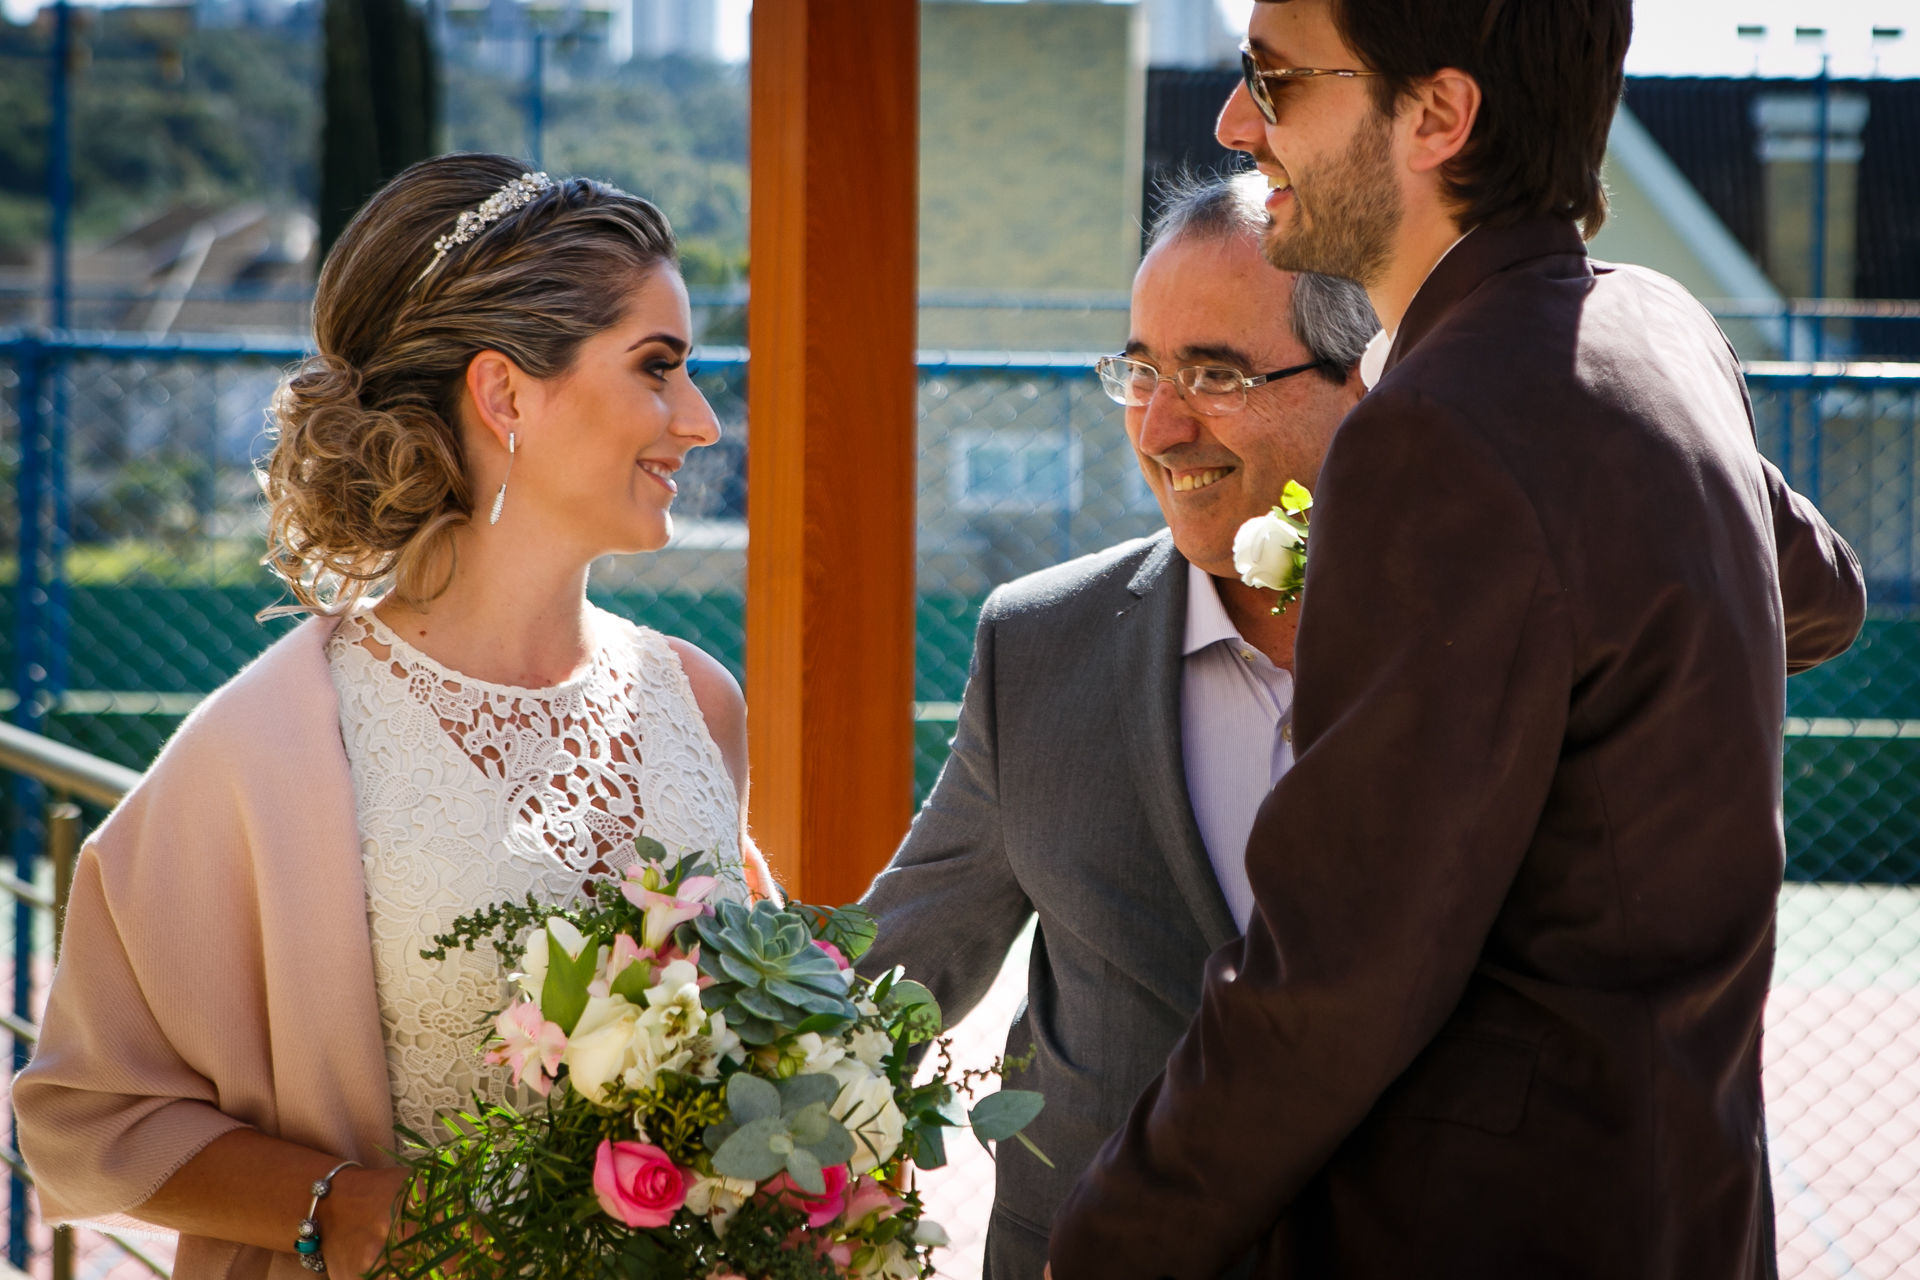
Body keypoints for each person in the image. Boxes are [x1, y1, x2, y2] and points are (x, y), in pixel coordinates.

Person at [1047, 2, 1868, 1278]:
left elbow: (1333, 977)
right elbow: (1821, 591)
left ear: (1437, 113)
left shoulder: (1442, 428)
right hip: (1687, 1205)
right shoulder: (1655, 331)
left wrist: (1107, 1243)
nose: (1234, 120)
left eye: (1276, 79)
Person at [13, 152, 774, 1280]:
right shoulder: (272, 742)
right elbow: (86, 1115)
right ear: (504, 394)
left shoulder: (699, 700)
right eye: (657, 367)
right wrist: (348, 1206)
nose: (701, 421)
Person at [859, 173, 1375, 1280]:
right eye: (1142, 372)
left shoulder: (1472, 638)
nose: (1160, 426)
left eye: (1215, 375)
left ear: (1361, 380)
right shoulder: (1038, 643)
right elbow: (897, 962)